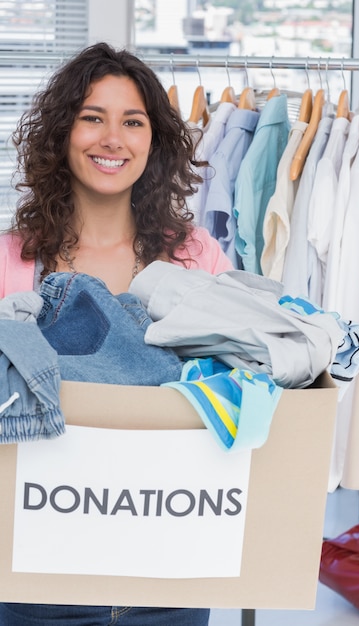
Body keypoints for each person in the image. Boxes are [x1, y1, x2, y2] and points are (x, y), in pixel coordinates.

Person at [0, 41, 233, 625]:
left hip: (168, 575)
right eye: (92, 118)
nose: (113, 138)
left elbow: (239, 387)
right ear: (62, 135)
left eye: (132, 121)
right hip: (37, 582)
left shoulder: (196, 257)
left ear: (152, 141)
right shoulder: (10, 261)